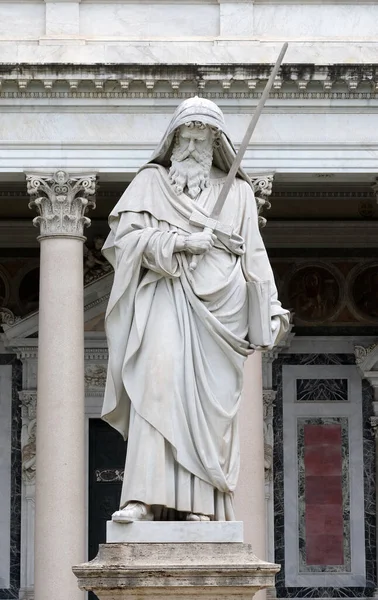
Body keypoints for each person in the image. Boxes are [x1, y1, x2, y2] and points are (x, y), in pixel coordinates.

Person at [101, 97, 289, 523]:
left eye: (202, 137)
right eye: (186, 135)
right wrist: (180, 242)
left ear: (215, 143)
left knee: (208, 409)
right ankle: (142, 499)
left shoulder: (238, 193)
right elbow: (123, 243)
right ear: (173, 138)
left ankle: (201, 506)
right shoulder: (151, 183)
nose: (192, 145)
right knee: (157, 382)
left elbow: (254, 257)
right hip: (166, 296)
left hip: (223, 309)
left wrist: (272, 308)